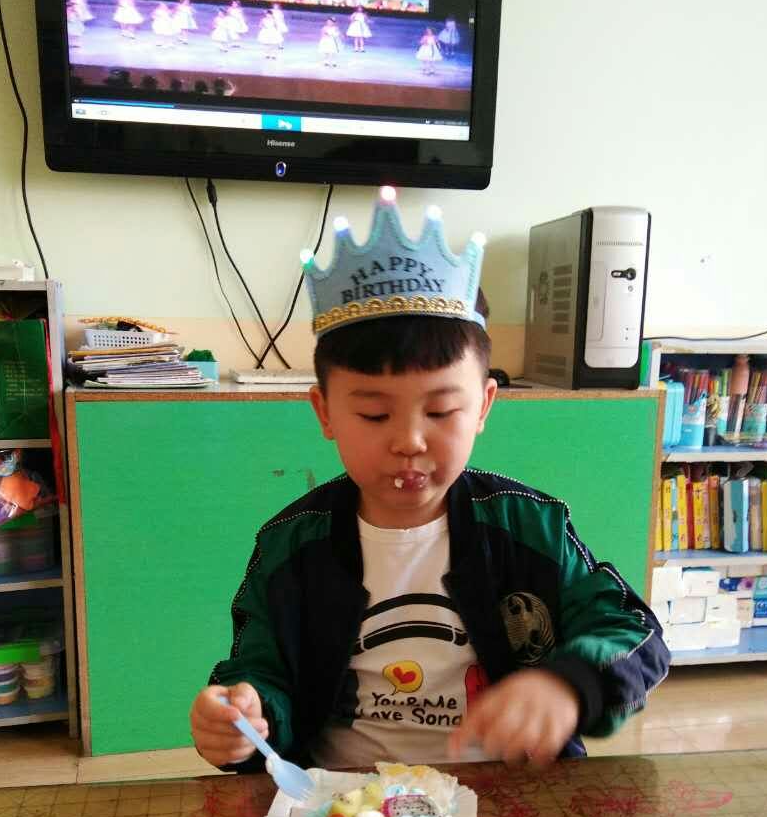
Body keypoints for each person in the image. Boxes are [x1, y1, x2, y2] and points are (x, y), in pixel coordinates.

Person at [190, 188, 669, 774]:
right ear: (325, 412)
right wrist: (247, 716)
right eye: (374, 414)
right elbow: (262, 671)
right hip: (345, 798)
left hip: (504, 794)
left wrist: (569, 683)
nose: (410, 441)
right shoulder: (291, 544)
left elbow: (633, 631)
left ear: (484, 405)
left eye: (441, 411)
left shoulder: (529, 526)